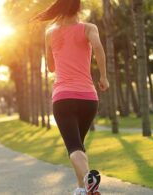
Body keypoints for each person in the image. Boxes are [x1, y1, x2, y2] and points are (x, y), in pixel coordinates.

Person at [32, 0, 109, 194]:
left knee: (74, 147)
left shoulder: (50, 32)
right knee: (79, 146)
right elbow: (98, 48)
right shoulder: (89, 28)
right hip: (88, 98)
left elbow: (50, 67)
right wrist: (104, 77)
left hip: (63, 98)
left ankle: (87, 179)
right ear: (79, 8)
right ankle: (82, 189)